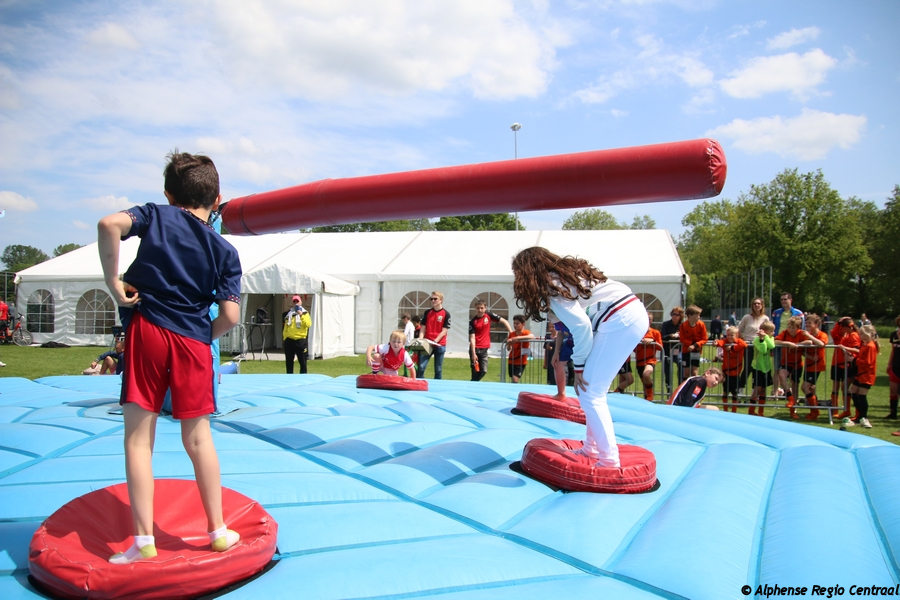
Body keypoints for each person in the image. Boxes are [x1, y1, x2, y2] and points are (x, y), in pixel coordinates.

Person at [97, 151, 241, 564]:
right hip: (193, 340)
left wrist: (113, 282)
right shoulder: (225, 250)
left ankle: (144, 541)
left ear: (169, 194)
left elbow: (109, 224)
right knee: (199, 437)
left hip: (149, 329)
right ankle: (218, 531)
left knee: (138, 439)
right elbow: (230, 316)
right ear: (217, 200)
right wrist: (201, 336)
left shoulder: (156, 215)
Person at [512, 246, 648, 468]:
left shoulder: (553, 286)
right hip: (629, 312)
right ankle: (592, 448)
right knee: (593, 391)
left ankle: (609, 460)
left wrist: (579, 367)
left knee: (590, 392)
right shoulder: (568, 274)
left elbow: (581, 326)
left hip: (620, 317)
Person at [468, 299, 512, 381]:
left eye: (481, 308)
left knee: (484, 371)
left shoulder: (488, 315)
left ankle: (473, 383)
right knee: (475, 371)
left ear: (485, 308)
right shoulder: (473, 322)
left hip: (484, 348)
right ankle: (472, 384)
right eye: (478, 308)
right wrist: (473, 353)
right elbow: (472, 338)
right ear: (475, 309)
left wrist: (511, 333)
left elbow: (504, 321)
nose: (480, 310)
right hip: (475, 348)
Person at [844, 324, 878, 428]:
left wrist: (854, 360)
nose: (861, 336)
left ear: (869, 334)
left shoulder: (870, 346)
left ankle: (864, 417)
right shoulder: (865, 345)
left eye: (863, 334)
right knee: (853, 392)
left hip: (866, 375)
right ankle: (859, 416)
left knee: (862, 395)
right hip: (860, 374)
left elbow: (868, 362)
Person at [772, 292, 804, 398]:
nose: (783, 301)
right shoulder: (776, 312)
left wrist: (798, 343)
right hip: (779, 342)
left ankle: (792, 394)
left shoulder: (798, 313)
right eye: (781, 299)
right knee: (777, 369)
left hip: (793, 344)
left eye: (785, 299)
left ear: (791, 300)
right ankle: (775, 392)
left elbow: (802, 329)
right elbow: (773, 327)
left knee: (792, 371)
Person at [798, 313, 828, 421]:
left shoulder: (822, 334)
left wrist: (809, 336)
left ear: (816, 324)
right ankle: (813, 411)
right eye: (806, 323)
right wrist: (809, 356)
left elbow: (821, 344)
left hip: (817, 366)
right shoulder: (806, 335)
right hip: (808, 365)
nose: (807, 325)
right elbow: (802, 350)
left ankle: (815, 411)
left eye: (809, 323)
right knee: (811, 388)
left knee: (805, 387)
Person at [774, 316, 806, 418]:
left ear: (798, 328)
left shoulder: (801, 333)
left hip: (797, 363)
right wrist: (787, 343)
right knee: (781, 375)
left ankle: (793, 410)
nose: (791, 329)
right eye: (789, 327)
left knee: (795, 385)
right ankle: (789, 396)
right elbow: (775, 341)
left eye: (793, 328)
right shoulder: (784, 333)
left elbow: (809, 342)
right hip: (786, 362)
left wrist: (797, 344)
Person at [829, 316, 860, 420]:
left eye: (842, 327)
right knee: (840, 387)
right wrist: (839, 321)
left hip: (848, 364)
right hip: (838, 363)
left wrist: (848, 353)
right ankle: (839, 409)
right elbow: (834, 333)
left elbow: (856, 350)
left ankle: (851, 411)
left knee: (848, 388)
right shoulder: (844, 335)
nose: (841, 329)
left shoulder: (853, 335)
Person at [738, 298, 771, 391]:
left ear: (762, 305)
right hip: (748, 345)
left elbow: (768, 331)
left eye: (758, 303)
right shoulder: (747, 317)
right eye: (754, 304)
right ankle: (740, 387)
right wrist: (743, 338)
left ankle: (755, 389)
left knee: (757, 368)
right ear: (752, 306)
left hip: (759, 345)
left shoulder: (765, 318)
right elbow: (739, 330)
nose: (757, 305)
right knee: (748, 367)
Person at [417, 291, 450, 379]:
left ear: (441, 300)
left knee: (438, 369)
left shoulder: (446, 314)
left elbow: (444, 331)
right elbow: (423, 328)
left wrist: (435, 341)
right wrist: (420, 340)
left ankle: (437, 386)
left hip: (440, 344)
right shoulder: (427, 312)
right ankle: (421, 384)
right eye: (431, 299)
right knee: (421, 367)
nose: (433, 301)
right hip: (427, 343)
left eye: (435, 299)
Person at [715, 325, 747, 413]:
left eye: (731, 335)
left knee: (735, 393)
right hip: (726, 372)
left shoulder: (739, 342)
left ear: (737, 335)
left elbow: (744, 344)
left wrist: (732, 347)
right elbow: (721, 342)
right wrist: (716, 342)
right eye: (728, 335)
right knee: (725, 392)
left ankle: (734, 411)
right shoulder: (725, 341)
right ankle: (725, 410)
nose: (729, 337)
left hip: (736, 373)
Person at [633, 314, 664, 401]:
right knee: (644, 383)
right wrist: (641, 343)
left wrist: (653, 341)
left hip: (650, 359)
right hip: (640, 360)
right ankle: (647, 400)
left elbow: (660, 347)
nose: (648, 320)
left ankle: (650, 395)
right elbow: (634, 349)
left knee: (646, 374)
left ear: (652, 321)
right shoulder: (637, 332)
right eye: (646, 318)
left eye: (649, 319)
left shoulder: (655, 332)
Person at [749, 321, 776, 416]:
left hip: (766, 368)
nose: (773, 333)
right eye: (771, 331)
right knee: (757, 389)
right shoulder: (756, 340)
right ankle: (751, 410)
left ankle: (761, 411)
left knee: (763, 390)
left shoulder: (770, 338)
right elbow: (763, 349)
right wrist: (761, 339)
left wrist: (766, 337)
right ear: (764, 331)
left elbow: (772, 346)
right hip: (758, 368)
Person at [548, 313, 575, 399]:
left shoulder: (571, 317)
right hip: (569, 342)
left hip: (581, 341)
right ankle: (561, 393)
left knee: (585, 368)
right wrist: (556, 352)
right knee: (557, 363)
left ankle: (588, 393)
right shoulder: (557, 320)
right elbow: (560, 333)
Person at [283, 294, 311, 374]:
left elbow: (308, 324)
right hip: (289, 340)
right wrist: (285, 337)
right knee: (289, 362)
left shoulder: (305, 313)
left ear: (301, 302)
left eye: (297, 301)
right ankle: (289, 377)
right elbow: (286, 326)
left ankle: (303, 377)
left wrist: (301, 314)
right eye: (294, 301)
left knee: (303, 362)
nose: (296, 303)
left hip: (300, 341)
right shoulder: (289, 313)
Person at [679, 305, 708, 380]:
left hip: (696, 351)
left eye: (699, 315)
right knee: (686, 372)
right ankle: (685, 386)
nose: (699, 317)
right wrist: (690, 344)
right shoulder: (683, 325)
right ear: (690, 316)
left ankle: (694, 386)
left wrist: (695, 345)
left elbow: (705, 339)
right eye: (697, 315)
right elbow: (682, 339)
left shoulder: (701, 325)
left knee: (694, 372)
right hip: (686, 351)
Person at [660, 307, 684, 394]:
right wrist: (670, 336)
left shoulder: (683, 326)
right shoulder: (666, 324)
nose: (675, 316)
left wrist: (680, 336)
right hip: (667, 351)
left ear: (680, 316)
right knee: (668, 372)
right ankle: (669, 391)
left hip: (679, 351)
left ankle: (680, 390)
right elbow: (662, 337)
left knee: (681, 367)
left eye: (677, 315)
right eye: (673, 314)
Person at [506, 314, 534, 383]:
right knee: (512, 379)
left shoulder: (526, 332)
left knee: (515, 378)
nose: (515, 325)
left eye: (517, 323)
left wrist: (518, 338)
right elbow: (508, 348)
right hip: (512, 359)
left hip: (521, 361)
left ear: (523, 324)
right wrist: (509, 344)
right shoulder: (512, 334)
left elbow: (532, 336)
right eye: (514, 323)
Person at [887, 316, 900, 420]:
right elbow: (893, 350)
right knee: (893, 390)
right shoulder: (894, 335)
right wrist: (889, 364)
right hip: (895, 366)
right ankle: (893, 413)